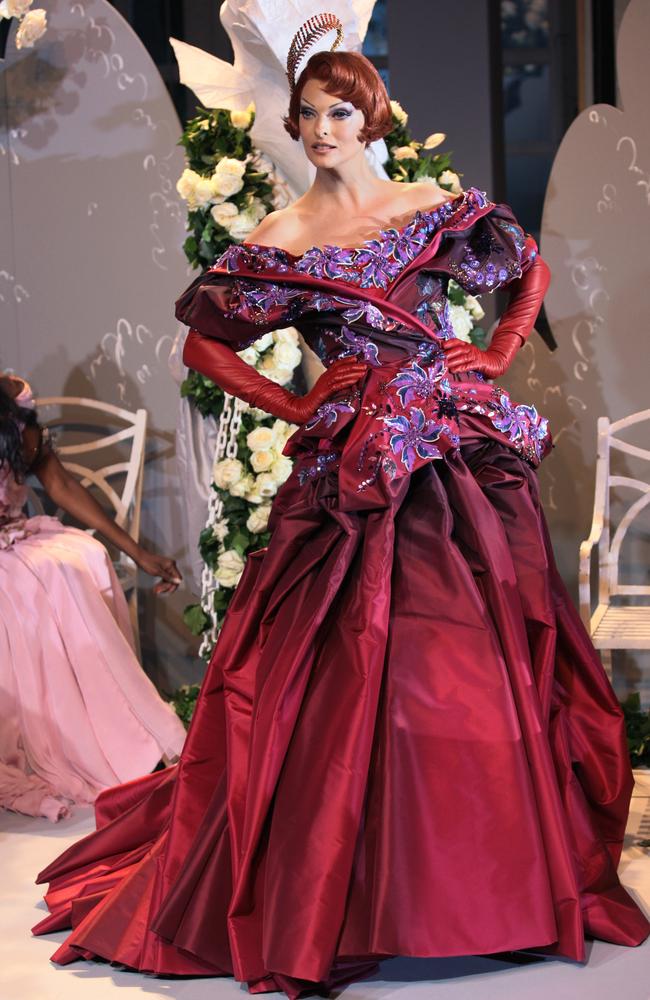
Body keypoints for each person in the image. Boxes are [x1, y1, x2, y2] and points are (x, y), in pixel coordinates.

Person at [33, 20, 649, 998]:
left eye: (338, 110)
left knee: (465, 653)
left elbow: (523, 270)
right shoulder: (280, 240)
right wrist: (296, 399)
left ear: (367, 117)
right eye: (308, 113)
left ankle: (482, 876)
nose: (321, 128)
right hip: (351, 466)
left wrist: (491, 352)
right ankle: (354, 882)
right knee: (344, 653)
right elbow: (204, 346)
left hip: (449, 451)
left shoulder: (431, 207)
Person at [0, 373, 186, 822]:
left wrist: (138, 552)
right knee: (40, 577)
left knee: (81, 555)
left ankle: (117, 725)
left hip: (12, 535)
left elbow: (61, 486)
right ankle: (70, 735)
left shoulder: (14, 401)